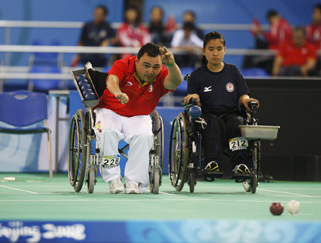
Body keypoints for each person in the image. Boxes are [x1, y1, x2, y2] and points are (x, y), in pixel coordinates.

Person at [94, 43, 182, 194]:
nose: (150, 71)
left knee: (144, 136)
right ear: (137, 61)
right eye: (146, 65)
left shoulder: (161, 74)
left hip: (139, 115)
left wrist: (172, 64)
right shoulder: (123, 64)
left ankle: (134, 182)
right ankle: (114, 179)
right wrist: (117, 93)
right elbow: (112, 80)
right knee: (107, 131)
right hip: (110, 111)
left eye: (156, 67)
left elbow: (174, 82)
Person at [183, 31, 259, 177]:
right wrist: (194, 97)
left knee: (238, 122)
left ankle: (240, 164)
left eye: (219, 49)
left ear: (224, 50)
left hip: (231, 113)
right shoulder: (197, 75)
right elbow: (193, 100)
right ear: (203, 51)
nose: (215, 53)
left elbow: (243, 95)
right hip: (208, 114)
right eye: (211, 49)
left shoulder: (233, 71)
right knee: (211, 123)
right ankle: (213, 163)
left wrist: (247, 100)